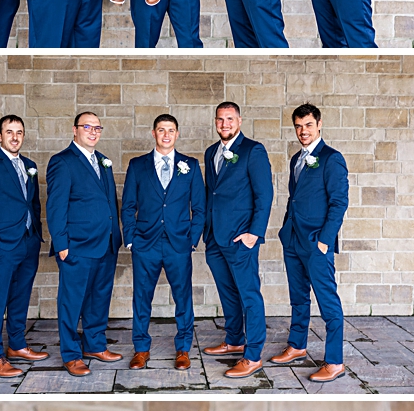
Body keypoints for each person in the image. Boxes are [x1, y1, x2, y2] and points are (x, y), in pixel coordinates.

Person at [269, 102, 350, 382]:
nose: (303, 131)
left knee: (328, 302)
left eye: (308, 125)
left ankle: (335, 361)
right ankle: (297, 345)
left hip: (317, 243)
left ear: (319, 124)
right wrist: (285, 231)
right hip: (293, 240)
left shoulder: (332, 158)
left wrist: (325, 241)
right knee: (298, 297)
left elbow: (339, 203)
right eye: (298, 126)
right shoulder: (296, 159)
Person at [121, 114, 203, 370]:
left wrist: (192, 240)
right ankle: (141, 348)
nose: (166, 135)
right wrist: (131, 240)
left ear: (177, 134)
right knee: (142, 298)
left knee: (183, 298)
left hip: (179, 244)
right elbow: (128, 206)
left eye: (170, 130)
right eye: (161, 130)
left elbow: (199, 207)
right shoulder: (137, 165)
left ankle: (183, 348)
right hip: (145, 244)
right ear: (154, 133)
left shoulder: (190, 165)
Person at [0, 114, 49, 377]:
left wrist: (36, 234)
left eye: (19, 132)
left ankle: (17, 345)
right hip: (2, 246)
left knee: (20, 297)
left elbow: (33, 203)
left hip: (28, 243)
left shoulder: (30, 165)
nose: (15, 137)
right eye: (9, 132)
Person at [200, 102, 272, 379]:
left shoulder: (253, 150)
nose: (224, 124)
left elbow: (264, 194)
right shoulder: (210, 153)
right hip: (216, 238)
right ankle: (234, 339)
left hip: (242, 237)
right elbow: (213, 193)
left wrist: (254, 233)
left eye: (230, 119)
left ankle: (252, 355)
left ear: (239, 121)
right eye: (220, 119)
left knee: (249, 295)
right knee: (227, 292)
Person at [45, 112, 121, 375]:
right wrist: (62, 243)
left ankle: (95, 345)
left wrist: (116, 235)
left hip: (106, 244)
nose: (93, 131)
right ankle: (71, 354)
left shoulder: (103, 161)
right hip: (76, 245)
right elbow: (55, 207)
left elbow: (109, 201)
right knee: (71, 302)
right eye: (87, 126)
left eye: (97, 127)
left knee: (99, 298)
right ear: (75, 130)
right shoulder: (62, 162)